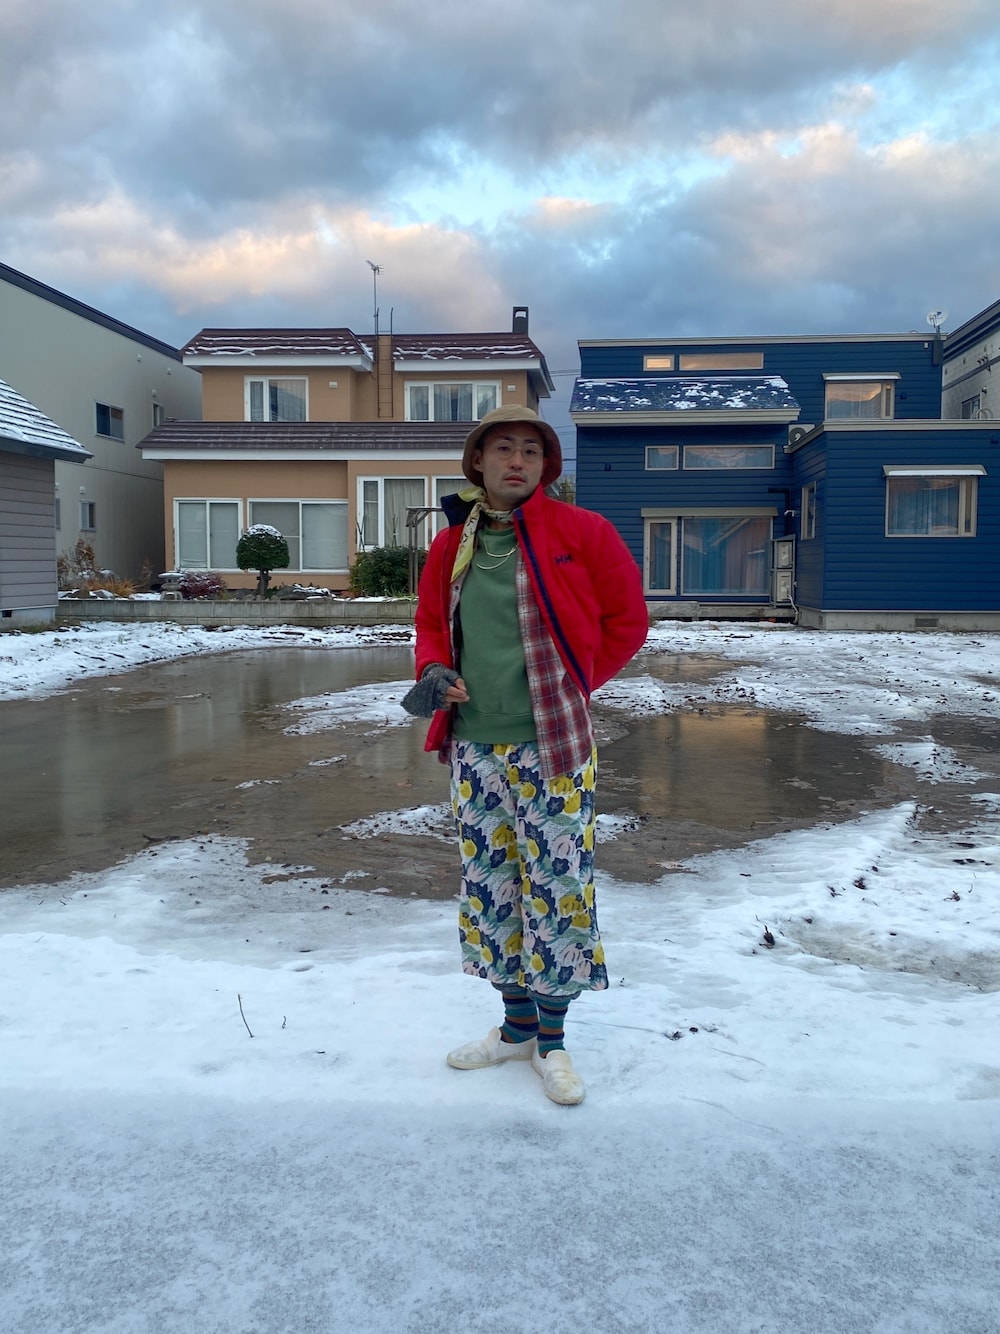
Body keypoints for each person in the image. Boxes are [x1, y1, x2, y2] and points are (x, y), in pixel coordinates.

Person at [406, 404, 648, 1105]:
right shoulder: (451, 546)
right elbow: (431, 624)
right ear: (477, 462)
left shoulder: (583, 532)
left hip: (556, 745)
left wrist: (575, 684)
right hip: (474, 744)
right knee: (492, 885)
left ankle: (553, 1041)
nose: (518, 461)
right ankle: (515, 1029)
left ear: (546, 466)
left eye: (532, 452)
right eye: (504, 448)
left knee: (557, 887)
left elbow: (627, 621)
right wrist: (433, 668)